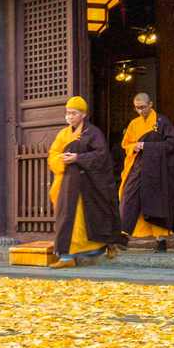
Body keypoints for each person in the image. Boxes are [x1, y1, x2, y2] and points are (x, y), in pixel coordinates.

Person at [47, 96, 126, 268]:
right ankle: (67, 257)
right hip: (68, 184)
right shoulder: (63, 134)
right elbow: (52, 154)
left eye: (73, 113)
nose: (70, 116)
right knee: (67, 218)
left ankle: (100, 248)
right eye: (68, 113)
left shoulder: (93, 133)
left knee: (90, 218)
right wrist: (61, 159)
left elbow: (101, 156)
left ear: (83, 114)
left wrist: (78, 157)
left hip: (88, 186)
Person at [119, 92, 174, 251]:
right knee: (128, 196)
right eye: (137, 108)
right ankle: (124, 235)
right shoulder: (133, 124)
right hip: (138, 167)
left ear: (151, 104)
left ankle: (160, 240)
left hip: (157, 170)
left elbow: (172, 144)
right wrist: (134, 147)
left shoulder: (162, 122)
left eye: (143, 107)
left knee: (155, 201)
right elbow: (126, 145)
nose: (140, 111)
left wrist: (148, 146)